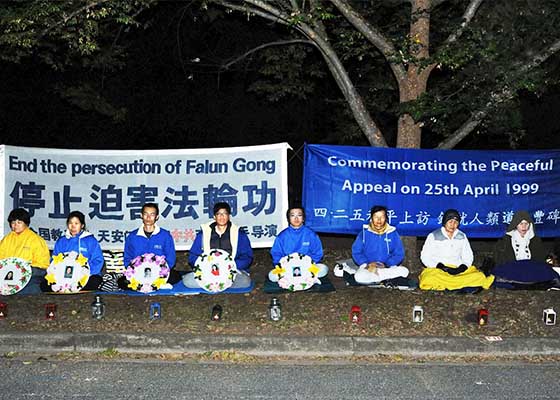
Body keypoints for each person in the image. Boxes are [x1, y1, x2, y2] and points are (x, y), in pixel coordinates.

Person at [419, 208, 494, 291]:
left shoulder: (462, 236)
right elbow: (425, 257)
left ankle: (452, 284)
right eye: (450, 222)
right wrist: (440, 266)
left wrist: (462, 267)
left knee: (479, 276)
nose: (453, 225)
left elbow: (468, 256)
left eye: (456, 222)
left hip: (458, 269)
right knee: (428, 278)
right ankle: (460, 284)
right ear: (444, 222)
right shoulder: (433, 236)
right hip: (438, 270)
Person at [184, 202, 253, 288]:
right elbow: (193, 255)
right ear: (214, 217)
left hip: (230, 272)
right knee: (188, 281)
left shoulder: (239, 234)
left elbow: (247, 256)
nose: (222, 217)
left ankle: (217, 285)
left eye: (225, 214)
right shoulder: (203, 234)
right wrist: (204, 266)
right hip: (208, 272)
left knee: (245, 282)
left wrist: (232, 265)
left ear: (229, 216)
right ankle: (216, 285)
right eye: (219, 214)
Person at [491, 210, 560, 289]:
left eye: (526, 224)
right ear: (516, 225)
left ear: (530, 225)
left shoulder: (535, 240)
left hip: (530, 267)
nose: (524, 227)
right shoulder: (505, 240)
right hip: (513, 266)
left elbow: (540, 259)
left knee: (546, 271)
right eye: (521, 224)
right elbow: (500, 259)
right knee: (502, 272)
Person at [119, 203, 179, 289]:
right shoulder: (132, 236)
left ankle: (157, 283)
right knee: (122, 282)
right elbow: (127, 258)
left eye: (152, 214)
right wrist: (134, 269)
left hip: (159, 272)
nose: (148, 217)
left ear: (157, 217)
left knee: (175, 276)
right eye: (145, 214)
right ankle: (152, 285)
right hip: (138, 272)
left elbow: (171, 258)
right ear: (141, 215)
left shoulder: (165, 235)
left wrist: (163, 271)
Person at [43, 211, 104, 292]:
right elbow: (54, 260)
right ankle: (65, 289)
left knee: (95, 281)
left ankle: (73, 291)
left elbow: (98, 260)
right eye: (70, 223)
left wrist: (86, 272)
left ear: (82, 225)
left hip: (85, 275)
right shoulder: (62, 241)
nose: (73, 226)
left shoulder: (90, 240)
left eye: (76, 223)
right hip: (63, 276)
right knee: (44, 284)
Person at [346, 205, 409, 284]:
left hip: (386, 267)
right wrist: (366, 263)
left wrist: (387, 264)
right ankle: (382, 278)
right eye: (376, 217)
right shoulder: (364, 233)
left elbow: (399, 253)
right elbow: (356, 252)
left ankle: (377, 277)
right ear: (371, 218)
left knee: (404, 271)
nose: (379, 220)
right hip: (368, 267)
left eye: (382, 217)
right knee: (358, 277)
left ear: (386, 218)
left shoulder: (392, 233)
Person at [268, 206, 328, 283]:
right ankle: (297, 278)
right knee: (272, 276)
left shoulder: (311, 234)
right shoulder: (282, 236)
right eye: (292, 215)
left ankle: (305, 277)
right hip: (288, 268)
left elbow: (317, 253)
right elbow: (276, 254)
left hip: (307, 267)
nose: (296, 219)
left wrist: (309, 263)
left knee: (323, 269)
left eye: (299, 215)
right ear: (288, 219)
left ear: (303, 218)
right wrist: (283, 263)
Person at [0, 208, 50, 294]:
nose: (15, 225)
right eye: (13, 223)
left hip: (29, 278)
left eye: (19, 222)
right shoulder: (6, 239)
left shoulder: (36, 240)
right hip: (7, 278)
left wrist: (23, 270)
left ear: (26, 223)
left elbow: (43, 266)